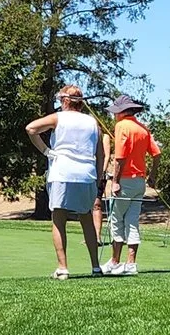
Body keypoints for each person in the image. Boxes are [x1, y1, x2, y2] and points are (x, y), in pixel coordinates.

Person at [25, 84, 107, 279]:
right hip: (87, 174)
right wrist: (98, 177)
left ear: (65, 100)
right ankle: (95, 267)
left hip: (62, 172)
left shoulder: (58, 117)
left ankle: (63, 267)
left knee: (59, 218)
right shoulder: (92, 123)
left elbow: (31, 128)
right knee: (86, 218)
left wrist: (46, 151)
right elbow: (100, 154)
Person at [104, 95, 160, 275]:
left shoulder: (122, 126)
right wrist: (153, 175)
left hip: (125, 181)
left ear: (121, 112)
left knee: (116, 219)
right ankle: (131, 264)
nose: (114, 115)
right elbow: (157, 154)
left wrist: (115, 182)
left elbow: (120, 158)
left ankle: (115, 262)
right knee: (132, 222)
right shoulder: (143, 128)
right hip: (139, 182)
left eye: (115, 112)